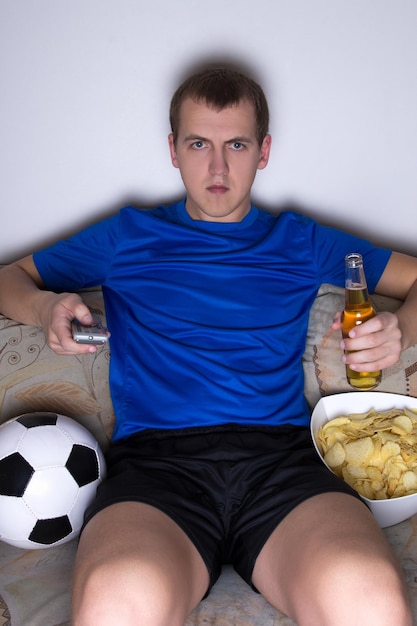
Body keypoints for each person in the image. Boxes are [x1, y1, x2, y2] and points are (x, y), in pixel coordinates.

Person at [0, 66, 416, 626]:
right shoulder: (126, 236)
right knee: (115, 603)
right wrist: (43, 307)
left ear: (263, 151)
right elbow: (9, 279)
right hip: (156, 470)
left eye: (236, 144)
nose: (217, 167)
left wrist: (403, 329)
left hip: (281, 464)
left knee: (370, 600)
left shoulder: (301, 239)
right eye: (199, 143)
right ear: (173, 150)